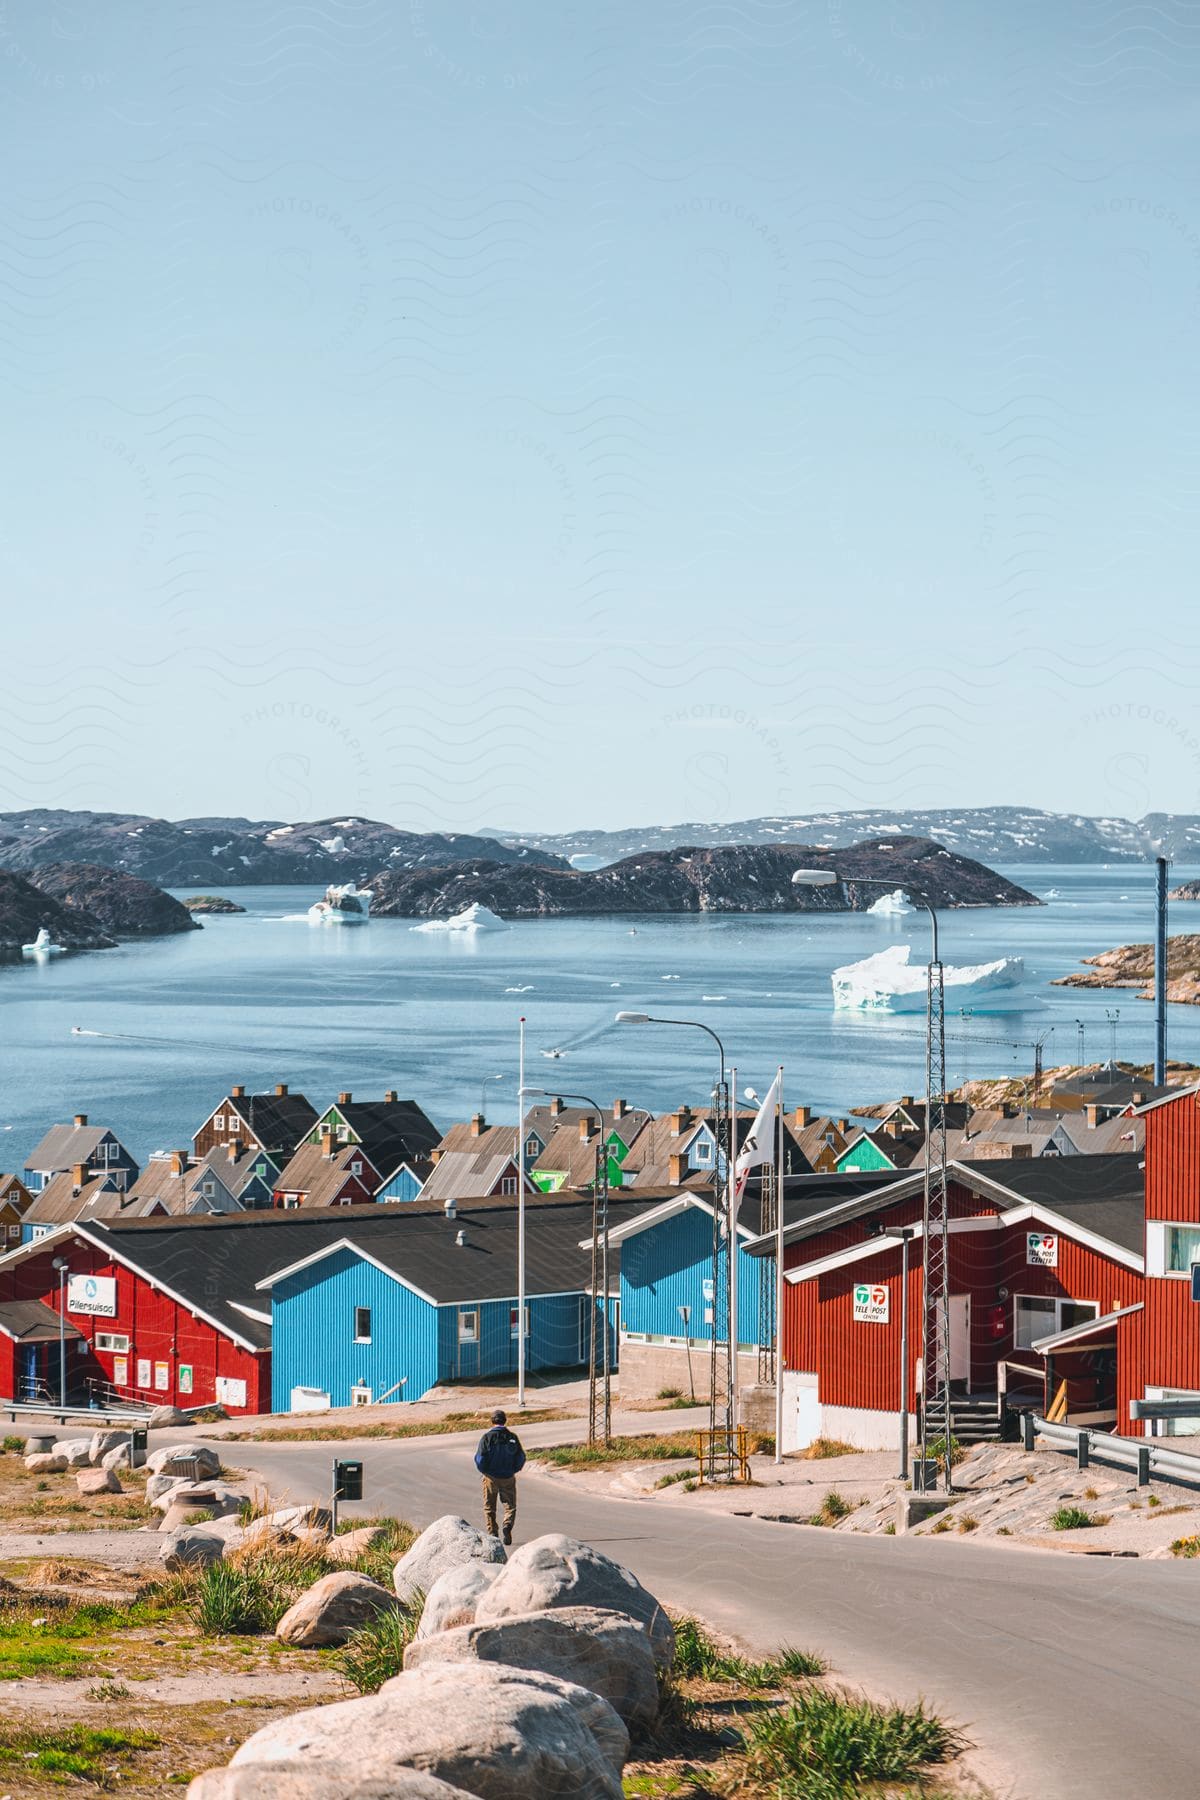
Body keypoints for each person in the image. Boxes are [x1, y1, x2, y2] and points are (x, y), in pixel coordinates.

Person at [474, 1407, 526, 1544]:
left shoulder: (487, 1438)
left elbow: (480, 1458)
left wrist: (484, 1470)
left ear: (492, 1421)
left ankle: (493, 1534)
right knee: (510, 1506)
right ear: (505, 1421)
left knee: (489, 1507)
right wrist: (513, 1470)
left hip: (490, 1477)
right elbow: (521, 1457)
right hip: (508, 1477)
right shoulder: (512, 1437)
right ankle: (507, 1525)